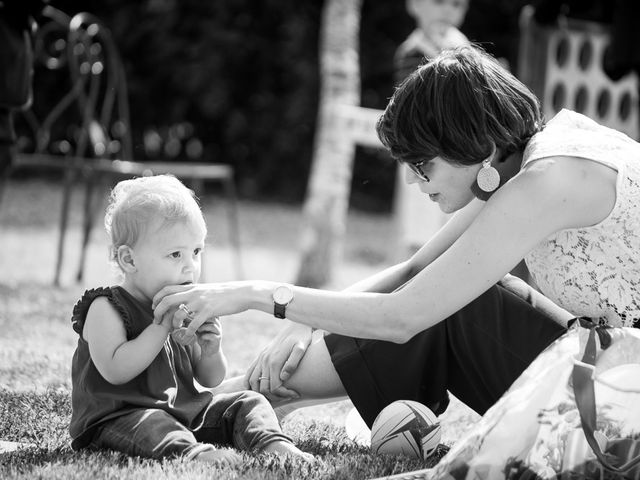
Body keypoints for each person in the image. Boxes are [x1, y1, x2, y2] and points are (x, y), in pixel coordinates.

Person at [152, 45, 640, 429]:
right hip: (612, 376)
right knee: (450, 293)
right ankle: (237, 399)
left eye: (423, 164)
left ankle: (228, 403)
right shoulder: (531, 161)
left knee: (456, 307)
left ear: (479, 147)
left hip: (625, 408)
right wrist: (302, 322)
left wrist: (257, 296)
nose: (412, 181)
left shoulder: (550, 180)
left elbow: (405, 316)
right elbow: (413, 271)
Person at [69, 174, 312, 464]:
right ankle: (195, 455)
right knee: (154, 423)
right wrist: (160, 327)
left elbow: (210, 378)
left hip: (185, 413)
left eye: (196, 252)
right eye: (175, 255)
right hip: (119, 418)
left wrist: (211, 349)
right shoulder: (106, 307)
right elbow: (116, 370)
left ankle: (272, 444)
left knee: (248, 401)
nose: (190, 267)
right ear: (129, 260)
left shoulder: (183, 306)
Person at [393, 0, 469, 256]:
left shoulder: (467, 49)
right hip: (422, 151)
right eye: (439, 2)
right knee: (420, 227)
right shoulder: (412, 51)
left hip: (458, 152)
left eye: (457, 4)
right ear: (414, 5)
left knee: (455, 230)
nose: (448, 10)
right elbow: (411, 106)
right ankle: (410, 281)